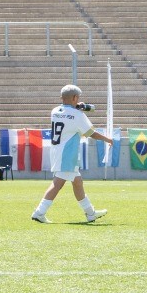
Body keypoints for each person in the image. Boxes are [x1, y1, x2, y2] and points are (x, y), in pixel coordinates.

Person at [32, 84, 116, 224]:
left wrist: (76, 107)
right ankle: (39, 212)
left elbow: (66, 113)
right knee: (57, 184)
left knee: (77, 182)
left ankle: (90, 213)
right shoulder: (77, 114)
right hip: (68, 153)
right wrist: (107, 139)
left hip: (57, 150)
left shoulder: (55, 111)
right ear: (75, 98)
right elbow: (90, 133)